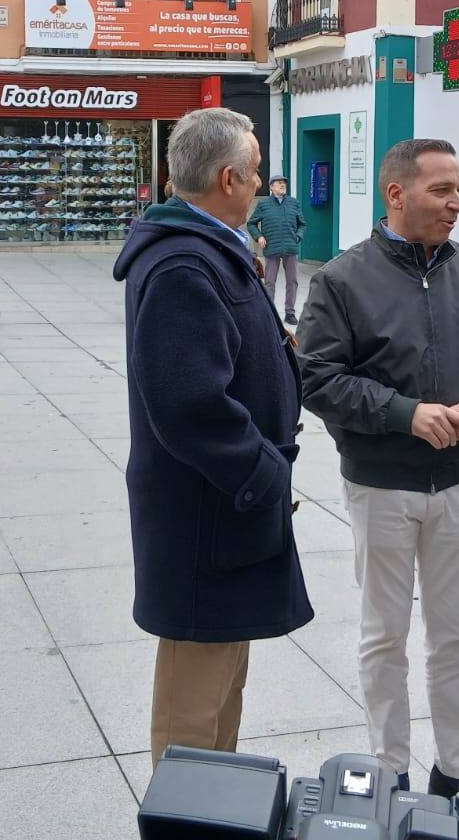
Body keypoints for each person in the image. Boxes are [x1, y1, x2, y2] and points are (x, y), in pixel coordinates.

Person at [297, 139, 459, 833]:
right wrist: (406, 415)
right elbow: (317, 379)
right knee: (384, 635)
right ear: (396, 194)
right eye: (442, 190)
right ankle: (388, 771)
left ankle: (455, 773)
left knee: (456, 635)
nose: (458, 203)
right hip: (381, 487)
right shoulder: (342, 279)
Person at [113, 108, 313, 766]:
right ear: (228, 179)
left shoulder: (209, 250)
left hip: (227, 517)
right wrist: (264, 473)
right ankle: (185, 816)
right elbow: (190, 404)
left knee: (223, 697)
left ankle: (215, 812)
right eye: (254, 173)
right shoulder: (183, 265)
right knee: (193, 723)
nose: (259, 184)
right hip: (208, 520)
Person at [248, 174, 306, 325]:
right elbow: (251, 223)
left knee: (292, 281)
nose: (282, 185)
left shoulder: (294, 203)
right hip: (271, 247)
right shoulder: (263, 204)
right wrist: (259, 236)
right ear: (271, 187)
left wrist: (298, 236)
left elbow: (302, 224)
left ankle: (290, 312)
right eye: (279, 183)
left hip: (290, 248)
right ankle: (270, 313)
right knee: (269, 282)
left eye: (284, 183)